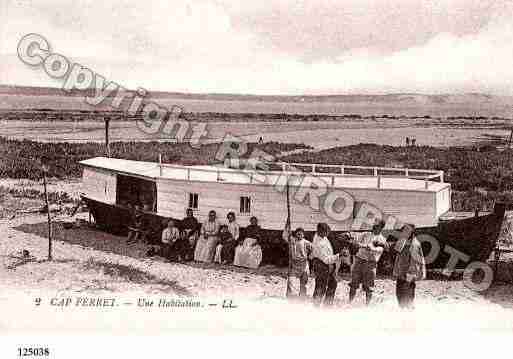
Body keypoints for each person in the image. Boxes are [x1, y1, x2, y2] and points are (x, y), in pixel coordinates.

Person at [349, 219, 388, 305]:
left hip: (370, 264)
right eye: (374, 225)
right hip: (359, 260)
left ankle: (367, 306)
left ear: (381, 227)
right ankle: (350, 303)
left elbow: (379, 250)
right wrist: (353, 239)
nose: (374, 227)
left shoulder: (382, 239)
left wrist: (371, 248)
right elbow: (355, 238)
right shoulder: (366, 234)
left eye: (377, 225)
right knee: (353, 284)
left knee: (369, 287)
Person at [393, 224, 426, 309]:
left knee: (408, 296)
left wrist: (410, 275)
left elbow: (415, 262)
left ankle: (409, 314)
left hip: (409, 274)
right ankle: (404, 311)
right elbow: (397, 256)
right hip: (401, 273)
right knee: (400, 295)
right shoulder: (402, 242)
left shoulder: (415, 244)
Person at [311, 223, 341, 306]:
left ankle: (327, 304)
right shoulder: (319, 244)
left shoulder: (320, 236)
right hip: (322, 265)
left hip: (325, 264)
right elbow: (326, 260)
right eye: (326, 232)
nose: (328, 233)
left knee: (332, 283)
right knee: (321, 286)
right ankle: (316, 305)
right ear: (321, 232)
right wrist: (339, 255)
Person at [283, 222, 313, 299]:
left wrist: (310, 256)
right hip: (294, 264)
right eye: (298, 234)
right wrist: (287, 226)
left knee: (304, 282)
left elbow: (314, 250)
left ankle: (302, 296)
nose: (299, 235)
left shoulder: (306, 242)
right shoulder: (292, 241)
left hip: (304, 264)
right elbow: (284, 236)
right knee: (291, 280)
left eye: (301, 234)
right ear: (295, 234)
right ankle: (290, 296)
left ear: (303, 235)